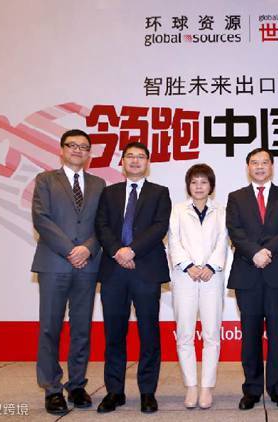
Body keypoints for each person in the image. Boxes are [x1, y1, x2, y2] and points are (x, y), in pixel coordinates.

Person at [31, 129, 105, 415]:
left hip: (88, 264)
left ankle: (76, 385)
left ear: (89, 153)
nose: (78, 150)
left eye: (83, 147)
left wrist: (87, 248)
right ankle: (52, 388)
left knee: (81, 328)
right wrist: (70, 250)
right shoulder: (46, 180)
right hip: (54, 263)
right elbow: (41, 219)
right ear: (61, 149)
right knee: (50, 327)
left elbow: (103, 223)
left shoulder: (98, 184)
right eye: (72, 145)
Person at [95, 141, 172, 414]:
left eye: (141, 156)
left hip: (146, 269)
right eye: (130, 156)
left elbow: (159, 226)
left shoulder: (159, 192)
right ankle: (114, 391)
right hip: (114, 270)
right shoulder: (109, 192)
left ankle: (147, 392)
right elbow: (101, 225)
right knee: (114, 333)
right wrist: (118, 250)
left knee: (149, 332)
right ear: (123, 162)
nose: (135, 160)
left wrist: (132, 250)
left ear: (148, 162)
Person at [226, 148, 278, 410]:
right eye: (254, 162)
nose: (259, 167)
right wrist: (254, 253)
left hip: (277, 273)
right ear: (248, 167)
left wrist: (267, 251)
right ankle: (252, 389)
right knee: (250, 334)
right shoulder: (236, 197)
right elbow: (235, 230)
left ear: (272, 166)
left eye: (264, 162)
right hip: (248, 273)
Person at [168, 164, 228, 409]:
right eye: (194, 182)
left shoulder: (221, 211)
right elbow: (173, 240)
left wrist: (211, 266)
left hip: (212, 277)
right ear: (188, 186)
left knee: (212, 334)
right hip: (185, 277)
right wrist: (188, 265)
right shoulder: (177, 210)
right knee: (185, 333)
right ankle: (191, 386)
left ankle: (206, 387)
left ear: (211, 186)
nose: (199, 186)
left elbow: (223, 240)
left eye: (204, 182)